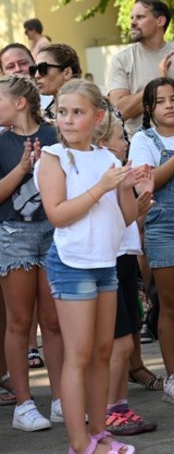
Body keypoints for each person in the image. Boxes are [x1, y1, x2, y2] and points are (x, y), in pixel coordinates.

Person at [37, 79, 147, 454]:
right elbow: (58, 215)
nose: (67, 120)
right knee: (79, 355)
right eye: (61, 112)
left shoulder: (108, 158)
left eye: (77, 112)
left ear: (97, 117)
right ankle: (79, 442)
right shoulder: (54, 158)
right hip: (73, 265)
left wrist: (132, 189)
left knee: (102, 352)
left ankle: (100, 431)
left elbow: (126, 217)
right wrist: (102, 188)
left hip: (105, 263)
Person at [129, 77, 174, 406]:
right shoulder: (142, 140)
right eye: (160, 101)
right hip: (164, 226)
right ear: (149, 109)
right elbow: (146, 185)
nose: (170, 105)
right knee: (171, 304)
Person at [0, 74, 62, 431]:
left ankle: (59, 400)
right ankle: (24, 404)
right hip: (13, 235)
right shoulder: (1, 143)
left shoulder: (54, 136)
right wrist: (23, 169)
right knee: (20, 322)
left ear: (20, 103)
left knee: (53, 322)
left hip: (53, 233)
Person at [93, 109, 158, 436]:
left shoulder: (117, 170)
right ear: (104, 141)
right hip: (110, 261)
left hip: (123, 258)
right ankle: (108, 409)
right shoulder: (107, 172)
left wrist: (142, 197)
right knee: (118, 344)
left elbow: (127, 218)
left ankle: (117, 406)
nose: (126, 141)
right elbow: (113, 219)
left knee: (126, 341)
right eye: (121, 136)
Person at [108, 0, 174, 134]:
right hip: (141, 148)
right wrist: (157, 83)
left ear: (160, 21)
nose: (133, 22)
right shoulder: (121, 60)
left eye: (140, 17)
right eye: (132, 17)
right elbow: (119, 113)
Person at [32, 44, 82, 121]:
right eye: (34, 69)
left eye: (43, 68)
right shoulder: (43, 112)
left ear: (67, 73)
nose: (36, 75)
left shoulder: (91, 106)